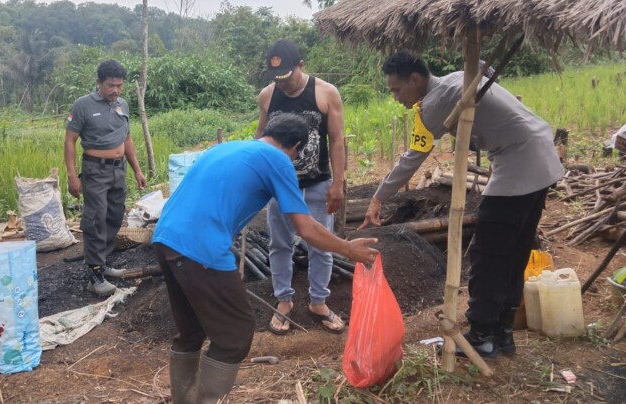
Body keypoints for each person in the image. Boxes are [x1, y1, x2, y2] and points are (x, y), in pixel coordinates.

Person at [152, 113, 378, 404]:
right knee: (236, 333)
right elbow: (305, 227)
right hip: (200, 247)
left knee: (191, 330)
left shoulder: (227, 147)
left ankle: (184, 400)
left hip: (165, 238)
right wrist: (348, 248)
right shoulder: (278, 159)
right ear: (296, 146)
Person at [360, 50, 564, 359]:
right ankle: (502, 332)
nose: (395, 97)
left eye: (396, 89)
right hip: (541, 152)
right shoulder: (460, 76)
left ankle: (481, 334)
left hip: (518, 162)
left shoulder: (433, 105)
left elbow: (413, 156)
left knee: (488, 253)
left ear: (415, 80)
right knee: (515, 249)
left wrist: (378, 197)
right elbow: (487, 66)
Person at [255, 38, 347, 335]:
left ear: (301, 66)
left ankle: (318, 301)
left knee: (321, 243)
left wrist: (338, 182)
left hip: (317, 183)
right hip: (280, 186)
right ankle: (284, 300)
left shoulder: (326, 93)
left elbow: (336, 140)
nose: (282, 84)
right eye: (276, 79)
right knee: (279, 244)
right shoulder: (268, 96)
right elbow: (260, 138)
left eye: (287, 76)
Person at [64, 59, 147, 296]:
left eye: (119, 85)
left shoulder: (123, 105)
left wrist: (137, 170)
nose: (115, 90)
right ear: (99, 82)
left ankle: (104, 262)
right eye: (111, 85)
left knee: (114, 216)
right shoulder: (83, 105)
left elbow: (127, 139)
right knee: (95, 219)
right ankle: (94, 273)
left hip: (117, 170)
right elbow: (70, 140)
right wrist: (72, 176)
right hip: (95, 170)